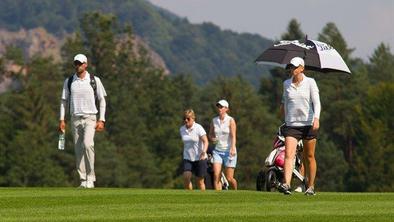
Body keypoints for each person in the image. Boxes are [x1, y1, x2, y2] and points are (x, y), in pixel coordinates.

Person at [58, 53, 107, 188]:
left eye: (80, 63)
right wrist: (62, 120)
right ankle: (83, 180)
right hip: (75, 119)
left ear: (86, 64)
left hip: (90, 118)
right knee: (78, 149)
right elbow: (64, 102)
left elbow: (102, 100)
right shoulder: (69, 82)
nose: (78, 66)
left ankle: (90, 178)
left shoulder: (94, 80)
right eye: (76, 63)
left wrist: (102, 120)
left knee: (87, 144)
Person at [279, 57, 321, 195]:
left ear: (302, 68)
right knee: (289, 155)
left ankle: (311, 186)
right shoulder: (286, 84)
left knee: (309, 156)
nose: (293, 69)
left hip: (308, 124)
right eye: (291, 67)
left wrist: (316, 118)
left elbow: (317, 102)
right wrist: (284, 116)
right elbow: (284, 102)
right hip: (292, 125)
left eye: (295, 67)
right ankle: (286, 184)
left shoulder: (310, 82)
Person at [209, 99, 238, 190]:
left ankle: (236, 192)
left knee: (229, 178)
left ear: (226, 109)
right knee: (216, 175)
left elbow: (233, 136)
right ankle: (218, 198)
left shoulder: (230, 120)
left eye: (221, 107)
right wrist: (212, 139)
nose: (219, 109)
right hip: (217, 151)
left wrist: (233, 148)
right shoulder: (214, 120)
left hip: (229, 151)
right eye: (218, 107)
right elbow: (210, 134)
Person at [179, 109, 209, 190]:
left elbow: (206, 141)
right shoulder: (182, 129)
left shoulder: (198, 128)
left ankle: (203, 200)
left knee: (200, 182)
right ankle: (189, 197)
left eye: (188, 118)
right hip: (187, 158)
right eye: (184, 118)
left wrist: (204, 152)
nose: (186, 120)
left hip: (200, 158)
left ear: (193, 118)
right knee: (186, 177)